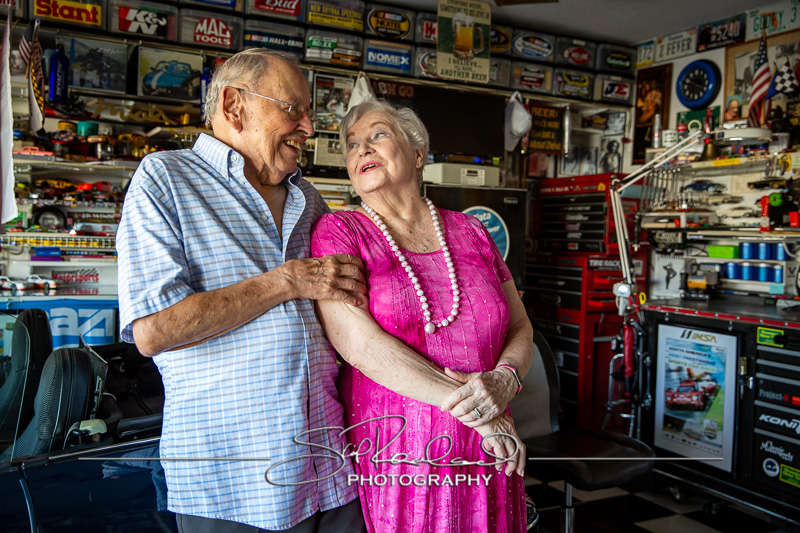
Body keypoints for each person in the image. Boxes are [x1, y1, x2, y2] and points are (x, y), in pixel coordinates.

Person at [116, 49, 368, 532]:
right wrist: (287, 281)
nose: (309, 128)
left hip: (332, 471)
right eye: (294, 109)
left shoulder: (308, 197)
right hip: (235, 483)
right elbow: (153, 330)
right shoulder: (166, 179)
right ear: (235, 106)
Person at [310, 100, 533, 532]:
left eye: (378, 135)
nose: (361, 149)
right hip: (402, 446)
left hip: (490, 439)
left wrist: (505, 380)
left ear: (417, 153)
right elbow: (359, 346)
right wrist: (484, 415)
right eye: (351, 144)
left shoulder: (472, 231)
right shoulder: (339, 231)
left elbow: (521, 326)